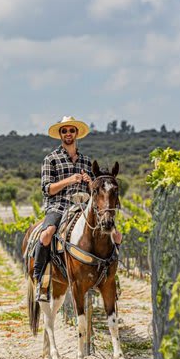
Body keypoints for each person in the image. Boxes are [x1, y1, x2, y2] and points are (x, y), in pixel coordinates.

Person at [34, 116, 122, 301]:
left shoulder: (86, 161)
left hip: (83, 207)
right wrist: (70, 180)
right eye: (64, 131)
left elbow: (96, 190)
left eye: (71, 130)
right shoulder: (51, 159)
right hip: (58, 206)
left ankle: (112, 278)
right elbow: (47, 189)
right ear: (60, 134)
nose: (68, 134)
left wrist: (91, 183)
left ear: (76, 134)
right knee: (47, 234)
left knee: (115, 235)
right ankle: (40, 280)